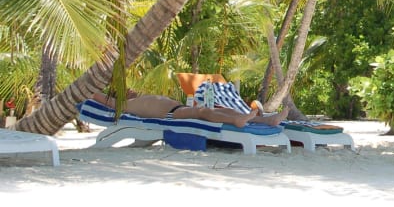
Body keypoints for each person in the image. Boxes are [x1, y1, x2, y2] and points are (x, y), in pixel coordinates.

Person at [91, 92, 287, 127]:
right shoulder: (125, 105)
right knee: (203, 112)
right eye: (126, 89)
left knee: (222, 109)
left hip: (178, 109)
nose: (131, 89)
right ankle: (236, 120)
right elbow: (97, 95)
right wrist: (85, 88)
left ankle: (266, 120)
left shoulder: (137, 99)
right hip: (171, 115)